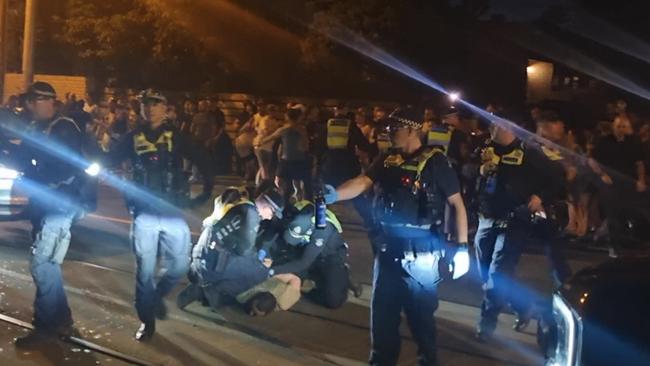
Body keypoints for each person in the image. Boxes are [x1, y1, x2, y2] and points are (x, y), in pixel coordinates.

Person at [323, 107, 470, 366]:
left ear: (412, 130)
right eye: (387, 129)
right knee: (382, 316)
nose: (388, 133)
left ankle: (428, 361)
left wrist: (461, 248)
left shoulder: (435, 161)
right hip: (387, 248)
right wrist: (333, 194)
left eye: (394, 129)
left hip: (421, 253)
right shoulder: (388, 157)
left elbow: (457, 204)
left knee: (421, 318)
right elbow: (363, 181)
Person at [104, 89, 213, 341]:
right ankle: (147, 320)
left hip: (173, 211)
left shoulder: (177, 136)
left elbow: (202, 158)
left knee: (179, 265)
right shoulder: (132, 138)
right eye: (145, 104)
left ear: (166, 109)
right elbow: (109, 158)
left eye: (155, 104)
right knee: (144, 270)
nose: (150, 108)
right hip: (144, 213)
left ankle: (153, 299)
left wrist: (205, 191)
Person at [473, 113, 566, 341]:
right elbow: (472, 173)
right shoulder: (486, 147)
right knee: (487, 275)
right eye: (493, 124)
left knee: (498, 274)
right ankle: (522, 307)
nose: (494, 128)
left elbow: (557, 177)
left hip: (514, 220)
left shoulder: (528, 151)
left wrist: (539, 196)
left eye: (500, 125)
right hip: (486, 218)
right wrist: (480, 172)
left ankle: (486, 325)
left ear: (512, 129)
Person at [14, 82, 86, 347]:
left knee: (41, 264)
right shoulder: (36, 128)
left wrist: (35, 176)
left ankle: (45, 327)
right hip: (44, 206)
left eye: (31, 102)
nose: (27, 107)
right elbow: (22, 159)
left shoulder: (64, 128)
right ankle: (61, 319)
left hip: (60, 206)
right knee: (48, 266)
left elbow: (67, 168)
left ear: (44, 101)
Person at [267, 201, 351, 309]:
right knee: (283, 262)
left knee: (333, 301)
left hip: (329, 258)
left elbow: (304, 262)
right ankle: (311, 276)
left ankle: (344, 279)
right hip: (305, 250)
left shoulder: (322, 227)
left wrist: (271, 271)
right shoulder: (296, 211)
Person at [256, 106, 311, 202]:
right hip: (298, 160)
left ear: (287, 117)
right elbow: (305, 146)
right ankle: (300, 203)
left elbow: (270, 138)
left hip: (288, 160)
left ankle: (286, 204)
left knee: (287, 187)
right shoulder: (301, 129)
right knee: (298, 185)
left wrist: (259, 142)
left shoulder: (285, 129)